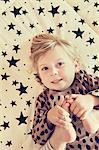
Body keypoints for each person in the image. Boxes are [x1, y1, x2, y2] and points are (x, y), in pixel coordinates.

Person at [29, 34, 99, 150]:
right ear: (39, 76)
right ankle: (60, 135)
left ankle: (93, 116)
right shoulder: (44, 99)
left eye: (60, 64)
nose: (54, 72)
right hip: (73, 147)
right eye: (45, 68)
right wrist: (50, 118)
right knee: (53, 144)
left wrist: (91, 99)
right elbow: (37, 137)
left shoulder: (85, 80)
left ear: (75, 65)